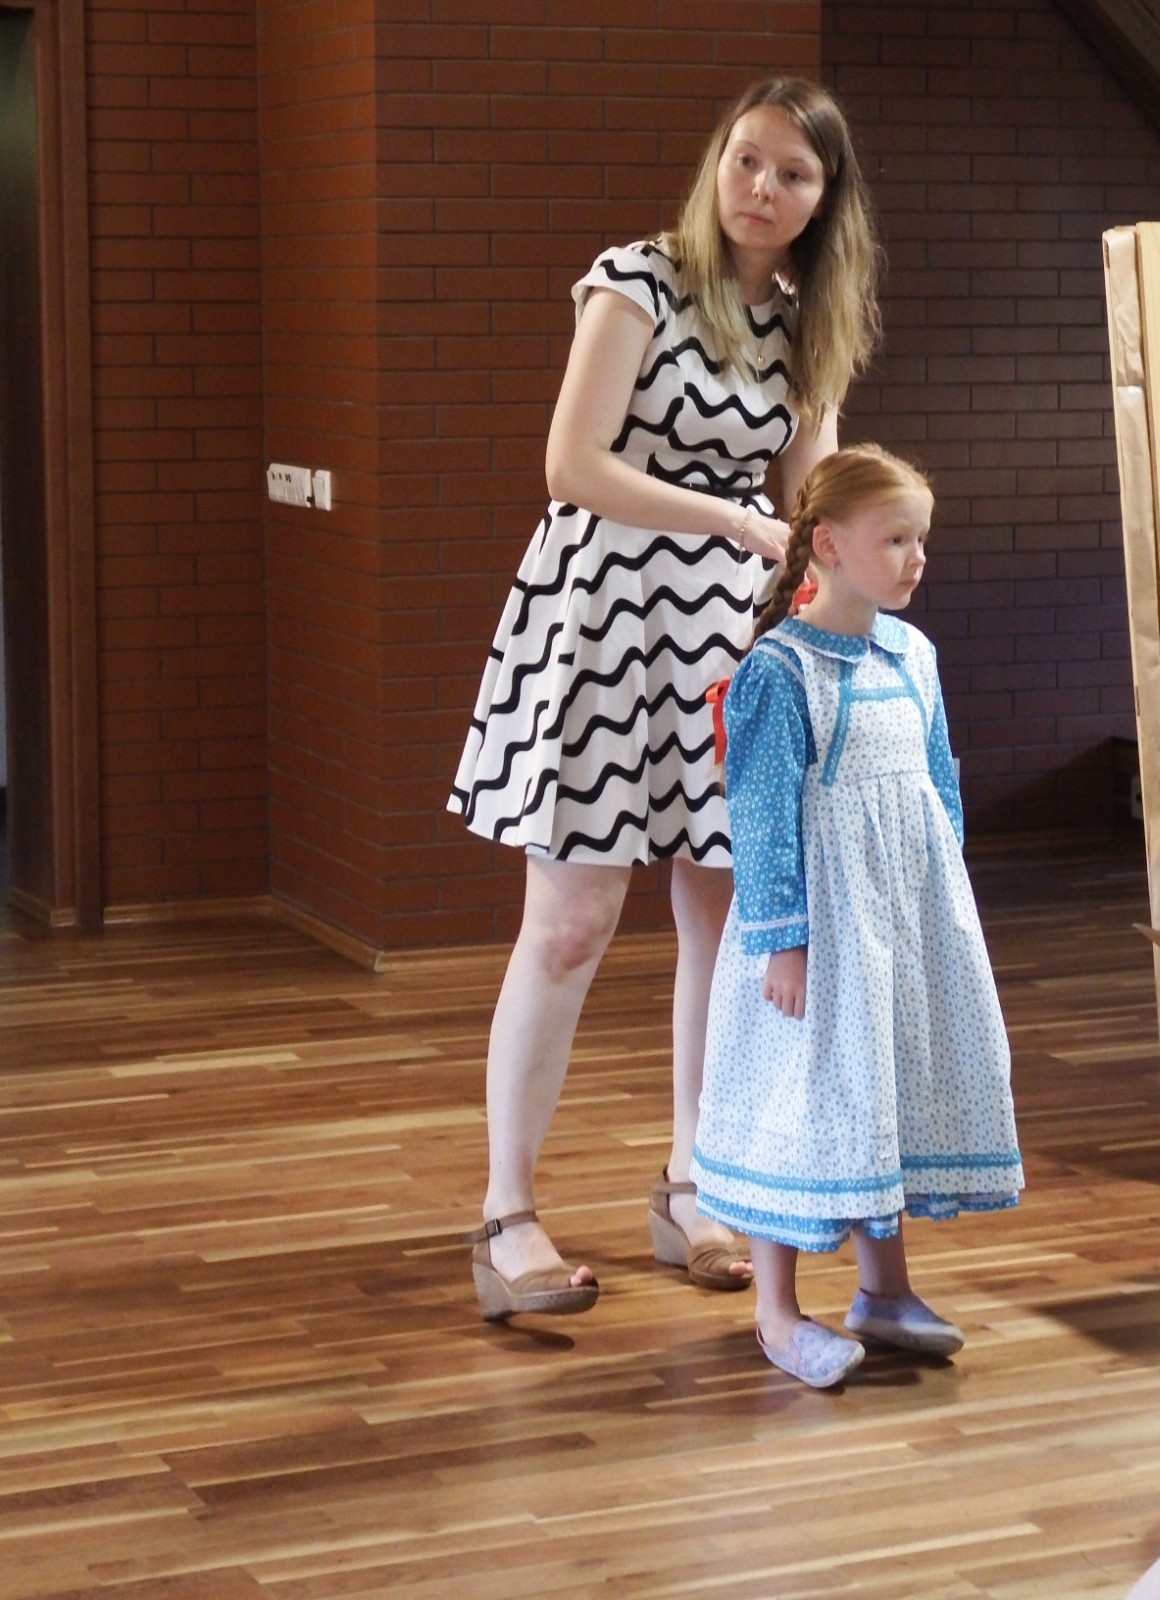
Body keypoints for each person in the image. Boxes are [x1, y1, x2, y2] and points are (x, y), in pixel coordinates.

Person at [449, 77, 882, 1319]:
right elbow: (571, 464)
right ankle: (506, 1213)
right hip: (600, 614)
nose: (761, 188)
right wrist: (729, 520)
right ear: (717, 164)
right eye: (747, 160)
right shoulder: (636, 280)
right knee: (571, 923)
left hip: (732, 638)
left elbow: (809, 500)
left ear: (824, 200)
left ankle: (695, 1180)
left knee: (725, 919)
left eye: (792, 173)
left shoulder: (809, 324)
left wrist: (851, 590)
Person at [692, 444, 1024, 1386]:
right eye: (895, 539)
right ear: (829, 545)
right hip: (819, 938)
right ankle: (776, 1311)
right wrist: (783, 942)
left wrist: (944, 900)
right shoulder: (779, 673)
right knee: (799, 1099)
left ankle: (884, 1292)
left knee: (882, 1090)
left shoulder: (914, 656)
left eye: (921, 539)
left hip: (901, 926)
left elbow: (937, 784)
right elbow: (761, 820)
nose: (916, 558)